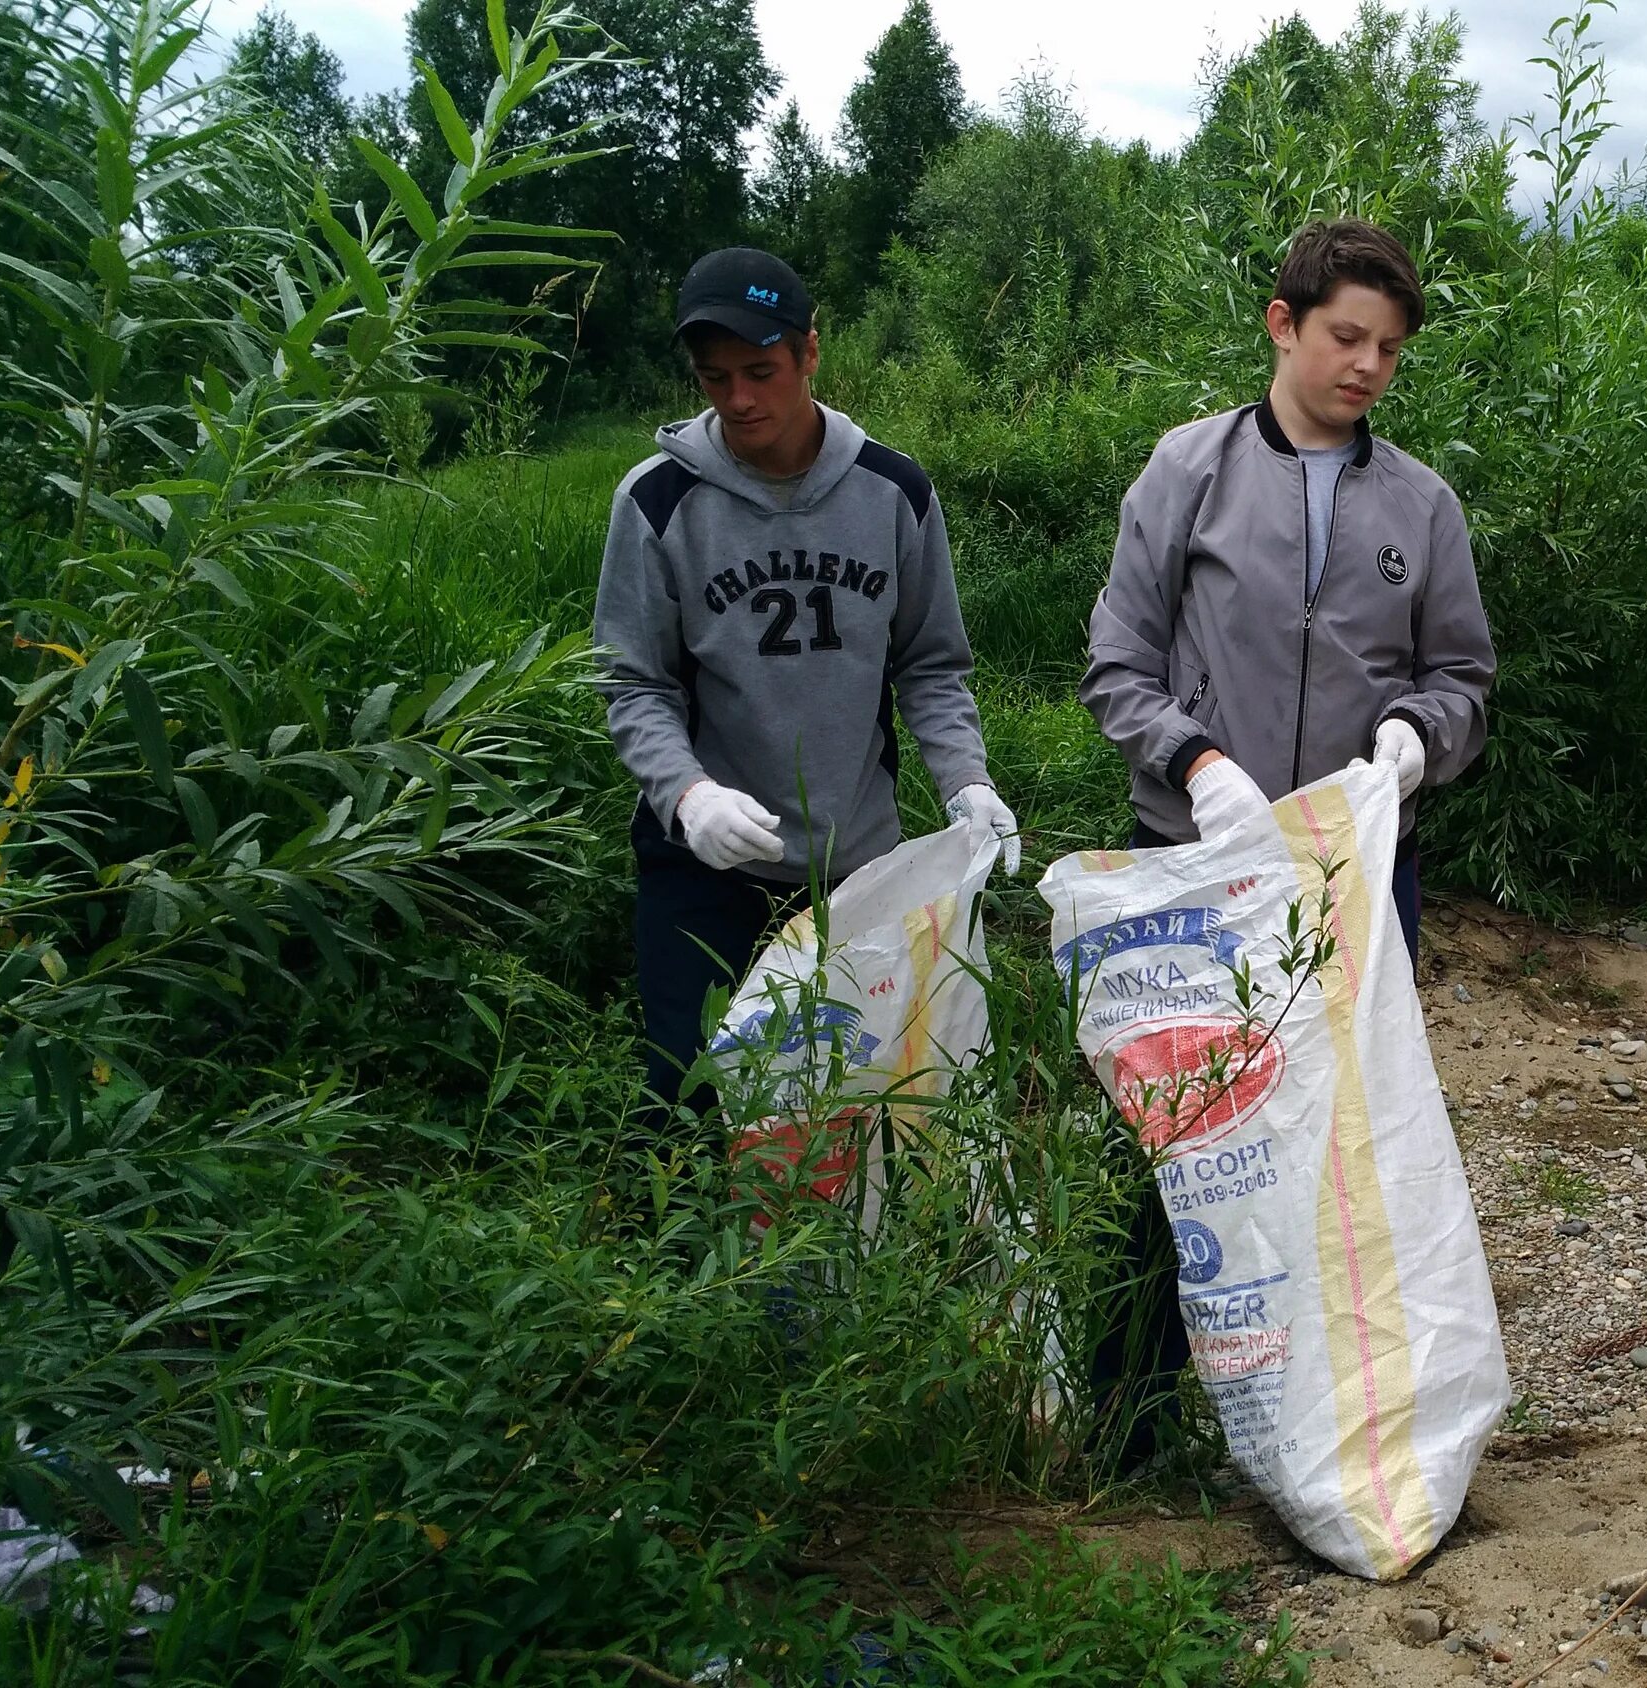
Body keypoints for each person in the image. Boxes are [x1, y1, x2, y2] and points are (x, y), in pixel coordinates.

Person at [1077, 217, 1495, 1467]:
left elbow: (1464, 673)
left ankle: (1317, 1431)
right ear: (1282, 323)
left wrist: (1421, 736)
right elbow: (1115, 662)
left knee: (1341, 1152)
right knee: (1168, 1147)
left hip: (1356, 880)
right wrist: (1194, 762)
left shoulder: (1420, 503)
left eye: (1389, 349)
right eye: (1344, 337)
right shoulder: (1188, 471)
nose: (1367, 365)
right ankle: (1130, 1423)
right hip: (1194, 870)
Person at [594, 247, 1016, 1115]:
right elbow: (634, 684)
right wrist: (686, 796)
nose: (741, 400)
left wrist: (966, 782)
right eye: (716, 377)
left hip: (854, 863)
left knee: (866, 1092)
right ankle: (691, 1254)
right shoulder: (658, 503)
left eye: (762, 370)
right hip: (705, 866)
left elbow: (931, 665)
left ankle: (853, 1257)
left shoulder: (893, 492)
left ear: (810, 354)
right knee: (690, 1090)